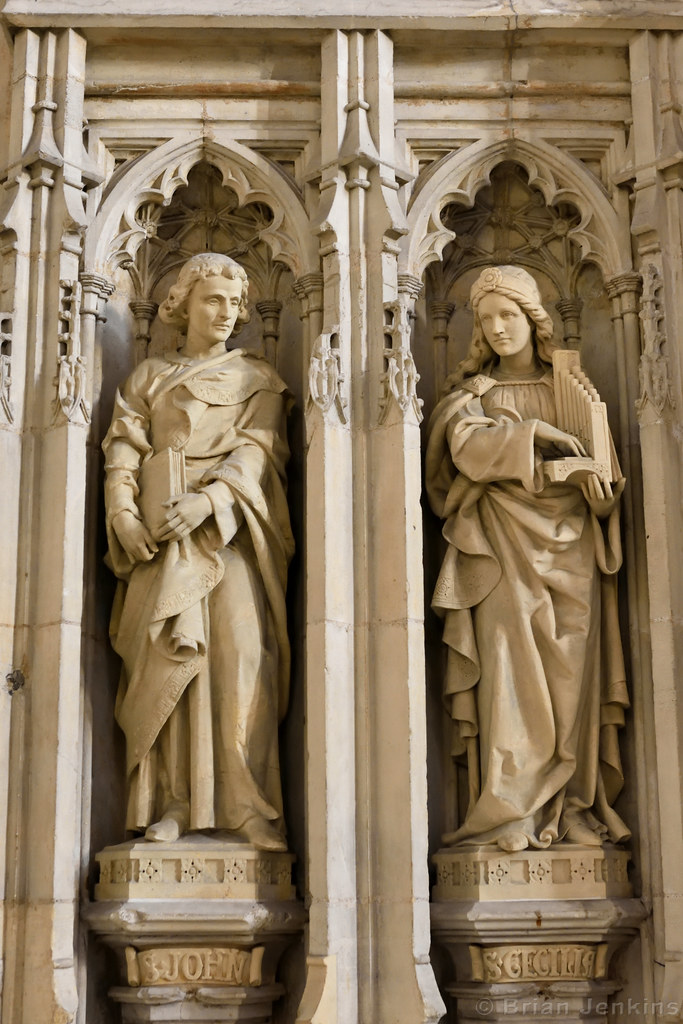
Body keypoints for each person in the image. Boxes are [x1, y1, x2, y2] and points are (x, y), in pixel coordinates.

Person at [425, 265, 629, 853]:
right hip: (499, 552)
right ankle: (510, 812)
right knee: (510, 677)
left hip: (573, 554)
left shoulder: (573, 389)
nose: (496, 329)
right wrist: (532, 434)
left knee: (571, 680)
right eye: (485, 319)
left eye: (507, 315)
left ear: (532, 318)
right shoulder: (473, 397)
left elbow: (608, 484)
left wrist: (599, 491)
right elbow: (459, 451)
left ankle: (573, 807)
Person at [103, 253, 293, 850]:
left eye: (235, 303)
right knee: (169, 665)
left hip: (229, 539)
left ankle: (245, 806)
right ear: (181, 303)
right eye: (213, 299)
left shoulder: (257, 378)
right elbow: (123, 449)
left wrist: (210, 502)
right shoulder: (149, 377)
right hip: (160, 543)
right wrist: (123, 514)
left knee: (239, 663)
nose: (227, 312)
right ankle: (174, 804)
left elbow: (261, 451)